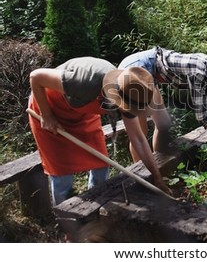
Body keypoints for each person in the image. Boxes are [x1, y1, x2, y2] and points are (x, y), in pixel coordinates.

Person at [28, 56, 171, 206]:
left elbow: (139, 140)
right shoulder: (83, 82)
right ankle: (67, 217)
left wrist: (157, 177)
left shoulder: (130, 93)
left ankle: (95, 204)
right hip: (50, 108)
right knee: (62, 174)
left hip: (81, 114)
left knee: (100, 163)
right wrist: (47, 115)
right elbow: (36, 76)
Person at [118, 46, 207, 162]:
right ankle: (141, 173)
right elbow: (203, 118)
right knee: (140, 131)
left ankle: (159, 164)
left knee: (163, 124)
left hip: (150, 71)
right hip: (135, 70)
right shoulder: (200, 72)